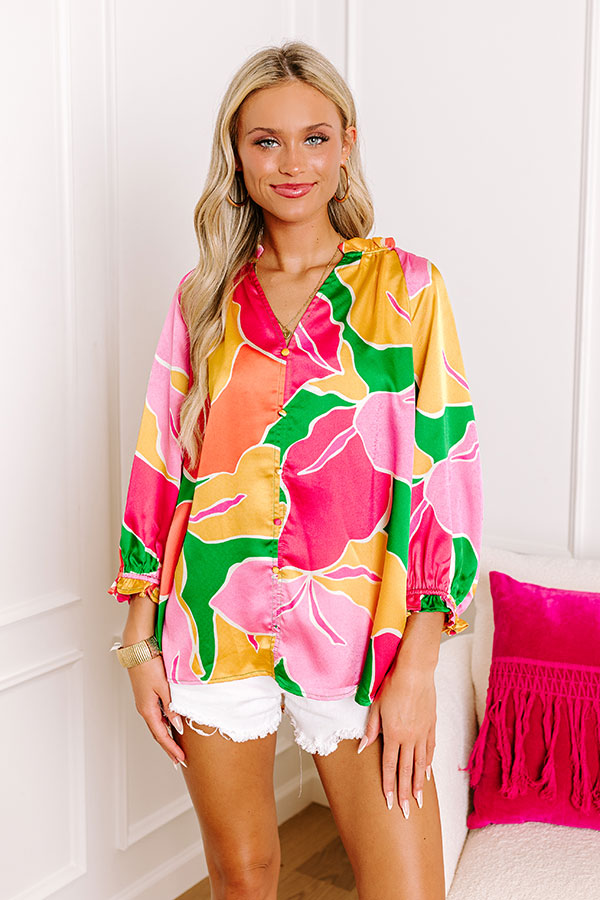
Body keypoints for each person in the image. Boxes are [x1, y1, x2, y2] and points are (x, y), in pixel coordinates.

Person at [108, 39, 483, 900]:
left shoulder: (408, 290)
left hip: (363, 634)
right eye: (265, 141)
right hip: (213, 620)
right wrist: (138, 643)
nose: (291, 163)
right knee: (242, 878)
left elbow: (444, 474)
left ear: (347, 144)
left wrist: (418, 667)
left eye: (314, 138)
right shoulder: (202, 297)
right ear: (237, 156)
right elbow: (162, 463)